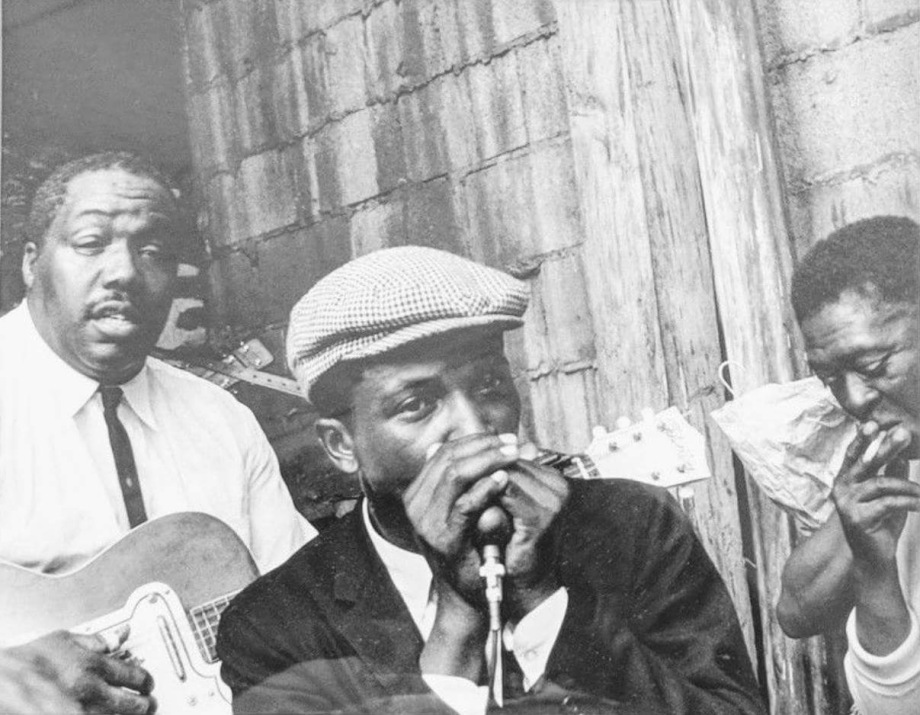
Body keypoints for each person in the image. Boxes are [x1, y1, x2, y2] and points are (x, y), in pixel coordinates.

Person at [216, 246, 764, 714]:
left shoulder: (633, 525)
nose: (475, 427)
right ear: (342, 444)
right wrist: (457, 617)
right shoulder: (273, 624)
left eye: (489, 386)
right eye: (416, 404)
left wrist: (543, 601)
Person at [0, 151, 316, 714]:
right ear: (31, 263)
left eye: (152, 252)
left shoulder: (220, 420)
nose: (124, 272)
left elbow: (302, 607)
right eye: (91, 243)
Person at [776, 216, 920, 714]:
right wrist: (869, 558)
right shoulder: (897, 453)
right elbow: (795, 611)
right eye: (830, 378)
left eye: (875, 367)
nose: (854, 400)